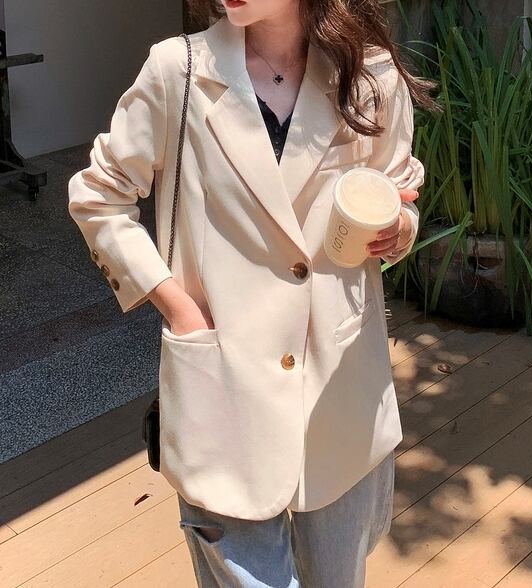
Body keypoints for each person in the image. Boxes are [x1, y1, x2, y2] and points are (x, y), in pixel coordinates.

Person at [68, 0, 435, 585]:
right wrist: (177, 306)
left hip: (339, 385)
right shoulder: (178, 71)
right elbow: (98, 196)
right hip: (223, 383)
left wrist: (397, 229)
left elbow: (396, 190)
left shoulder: (370, 76)